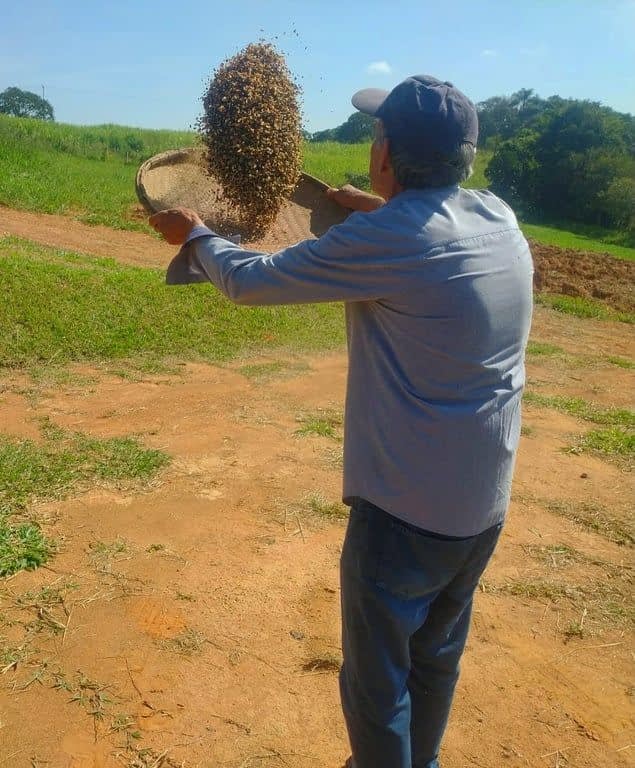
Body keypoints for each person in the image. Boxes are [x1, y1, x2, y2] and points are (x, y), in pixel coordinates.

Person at [150, 74, 534, 768]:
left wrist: (196, 235)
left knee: (376, 682)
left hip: (403, 515)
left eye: (376, 133)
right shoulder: (496, 217)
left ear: (384, 151)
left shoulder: (390, 238)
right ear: (464, 156)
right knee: (434, 660)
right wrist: (373, 208)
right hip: (481, 507)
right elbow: (421, 236)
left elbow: (250, 282)